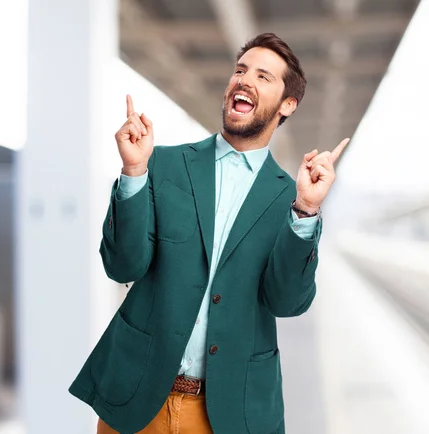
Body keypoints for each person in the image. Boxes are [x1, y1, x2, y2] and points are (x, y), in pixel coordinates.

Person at [68, 33, 349, 434]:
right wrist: (133, 173)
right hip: (137, 400)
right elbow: (121, 265)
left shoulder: (291, 197)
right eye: (240, 70)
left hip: (229, 413)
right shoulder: (161, 164)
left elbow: (286, 301)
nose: (244, 80)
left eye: (263, 76)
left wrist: (306, 211)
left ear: (288, 104)